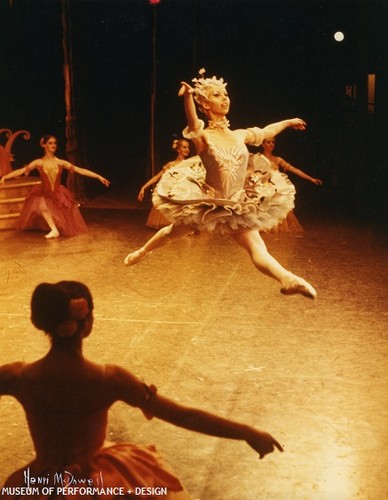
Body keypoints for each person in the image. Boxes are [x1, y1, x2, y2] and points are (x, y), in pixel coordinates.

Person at [0, 280, 283, 498]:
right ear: (87, 324)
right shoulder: (109, 379)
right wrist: (246, 432)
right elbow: (184, 416)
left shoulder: (18, 377)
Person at [124, 69, 317, 299]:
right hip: (206, 203)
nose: (224, 98)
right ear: (205, 104)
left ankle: (288, 279)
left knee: (257, 247)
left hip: (237, 203)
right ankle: (143, 251)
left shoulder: (239, 135)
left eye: (225, 94)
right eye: (217, 95)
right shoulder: (203, 136)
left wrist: (288, 121)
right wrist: (187, 97)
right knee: (173, 233)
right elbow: (193, 123)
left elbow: (266, 131)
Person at [0, 135, 110, 239]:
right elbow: (21, 170)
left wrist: (98, 176)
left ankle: (56, 228)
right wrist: (5, 177)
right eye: (50, 143)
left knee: (61, 214)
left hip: (57, 191)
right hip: (44, 190)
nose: (53, 145)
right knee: (41, 206)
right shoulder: (39, 162)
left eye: (55, 143)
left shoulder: (60, 162)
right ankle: (54, 230)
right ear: (44, 145)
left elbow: (79, 170)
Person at [249, 137, 323, 233]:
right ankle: (263, 226)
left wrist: (310, 178)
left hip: (277, 184)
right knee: (264, 204)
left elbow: (294, 169)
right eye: (268, 142)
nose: (271, 144)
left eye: (273, 142)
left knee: (280, 204)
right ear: (263, 144)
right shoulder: (257, 158)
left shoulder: (277, 159)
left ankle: (276, 227)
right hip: (263, 184)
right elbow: (252, 171)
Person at [138, 139, 192, 230]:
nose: (187, 149)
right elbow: (157, 177)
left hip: (183, 195)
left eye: (188, 147)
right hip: (171, 195)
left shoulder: (189, 164)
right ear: (178, 149)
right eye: (184, 147)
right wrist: (143, 187)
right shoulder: (171, 164)